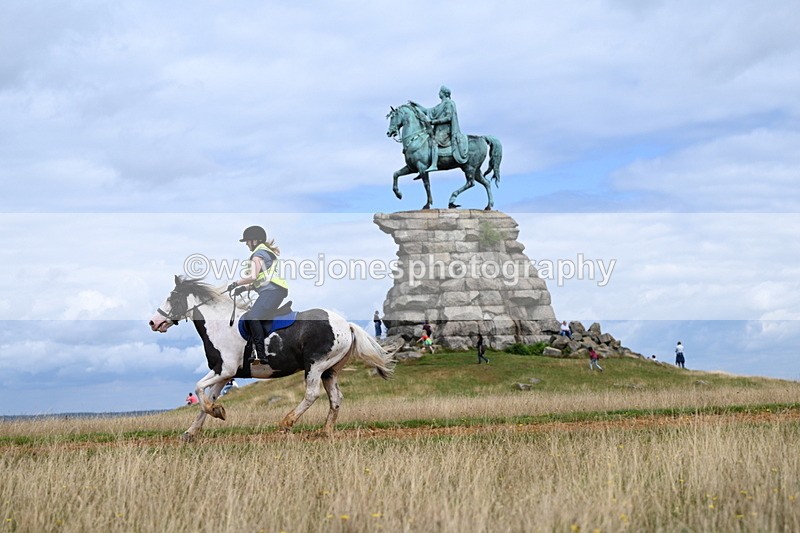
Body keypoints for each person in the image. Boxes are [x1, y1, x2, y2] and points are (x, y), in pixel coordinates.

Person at [227, 225, 289, 365]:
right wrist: (244, 289)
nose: (247, 244)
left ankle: (260, 354)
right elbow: (261, 280)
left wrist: (236, 283)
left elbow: (253, 276)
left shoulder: (258, 254)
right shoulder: (265, 253)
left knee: (253, 316)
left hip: (272, 291)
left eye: (247, 241)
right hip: (274, 290)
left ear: (254, 240)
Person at [410, 86, 467, 172]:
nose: (438, 93)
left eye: (440, 92)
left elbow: (448, 118)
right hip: (438, 130)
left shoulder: (449, 103)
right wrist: (417, 106)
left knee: (434, 142)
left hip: (445, 131)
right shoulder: (440, 105)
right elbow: (427, 111)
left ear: (444, 93)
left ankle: (434, 164)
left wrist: (433, 122)